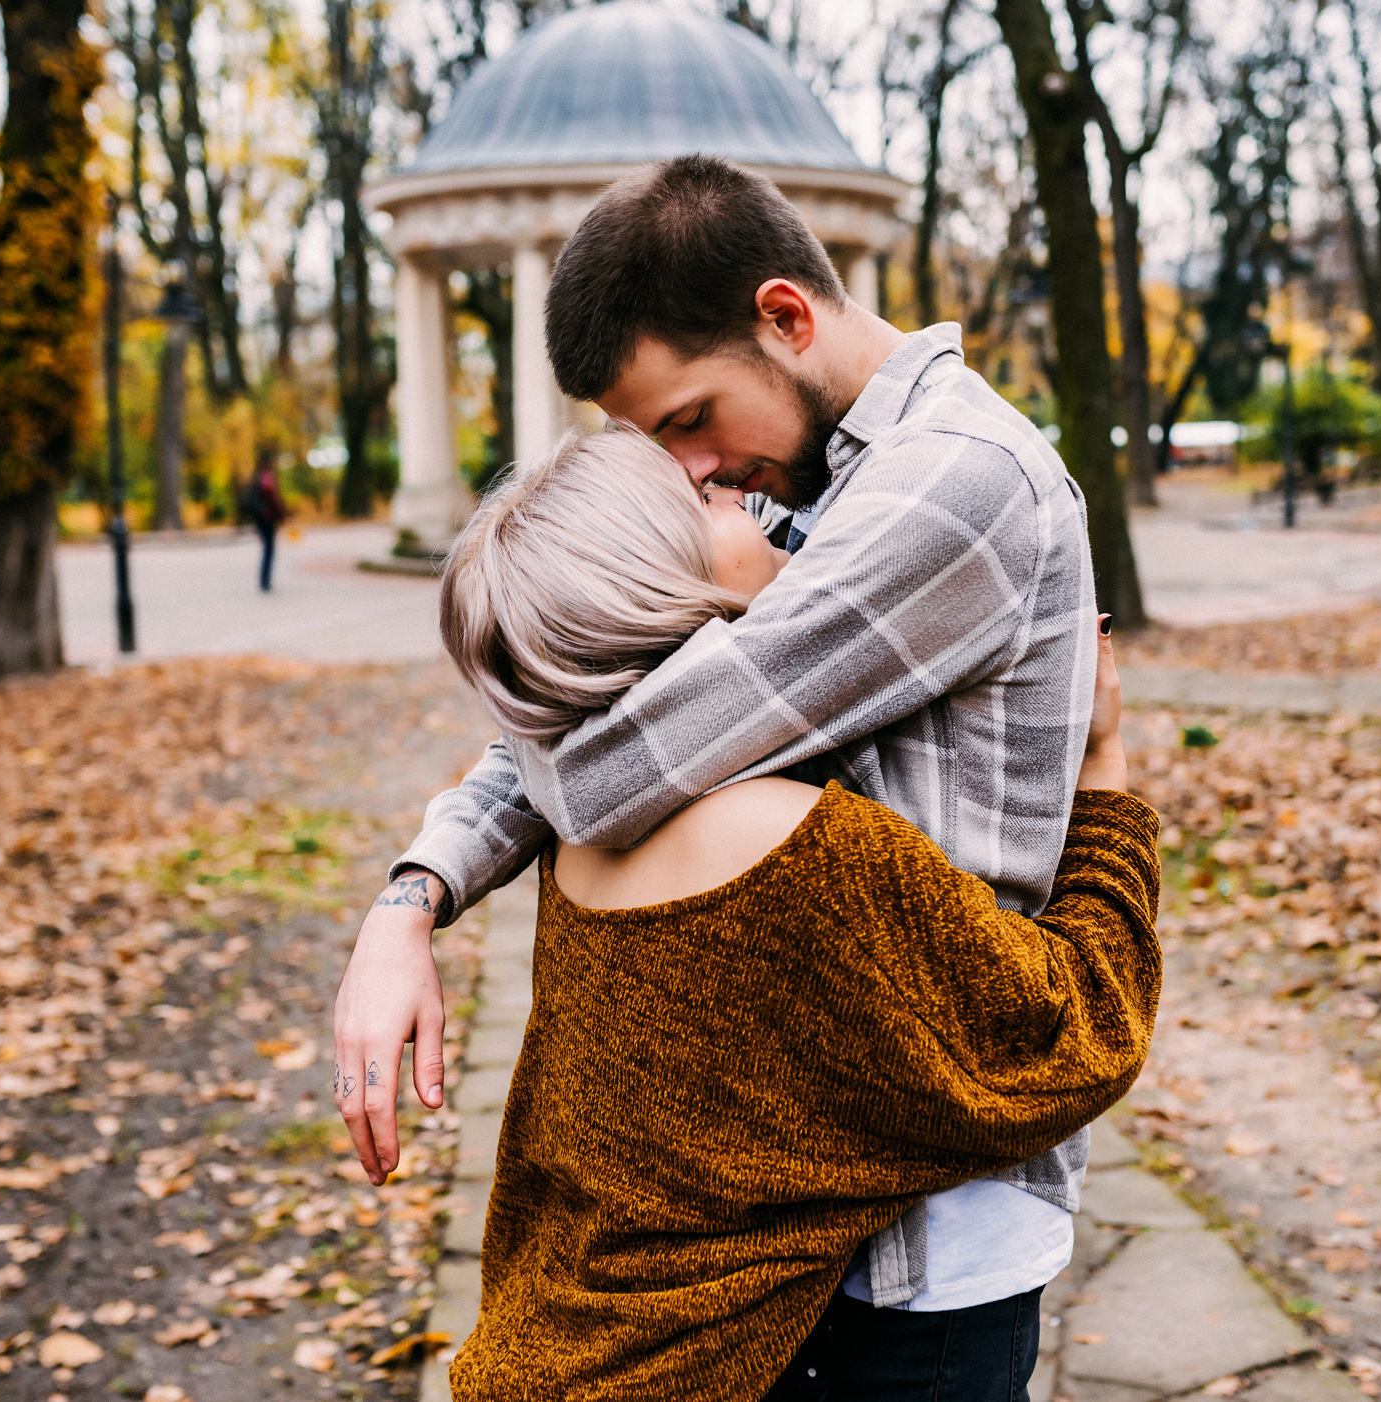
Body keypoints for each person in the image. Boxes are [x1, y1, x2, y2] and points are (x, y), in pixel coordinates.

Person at [333, 154, 1105, 1393]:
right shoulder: (793, 482)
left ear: (785, 317)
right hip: (774, 1206)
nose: (688, 470)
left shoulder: (954, 482)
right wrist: (410, 897)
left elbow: (604, 764)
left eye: (688, 419)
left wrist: (527, 688)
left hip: (916, 1227)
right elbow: (613, 709)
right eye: (653, 444)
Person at [432, 427, 1161, 1398]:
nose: (727, 484)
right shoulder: (806, 852)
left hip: (557, 1354)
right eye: (697, 500)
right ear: (655, 579)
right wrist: (1105, 775)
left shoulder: (582, 834)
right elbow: (1069, 1034)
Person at [245, 449, 286, 591]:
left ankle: (264, 580)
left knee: (267, 549)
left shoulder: (256, 478)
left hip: (260, 519)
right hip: (267, 519)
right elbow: (274, 500)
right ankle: (265, 581)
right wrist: (284, 515)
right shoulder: (267, 478)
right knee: (269, 549)